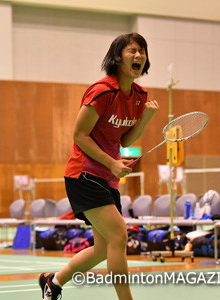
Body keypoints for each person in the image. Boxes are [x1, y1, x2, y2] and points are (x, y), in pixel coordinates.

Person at [39, 32, 159, 300]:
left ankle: (54, 281)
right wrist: (112, 163)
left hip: (107, 178)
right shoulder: (103, 90)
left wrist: (147, 118)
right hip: (84, 174)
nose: (138, 55)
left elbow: (126, 138)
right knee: (119, 235)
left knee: (104, 248)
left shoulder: (139, 95)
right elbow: (79, 135)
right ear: (117, 57)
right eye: (132, 51)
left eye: (142, 51)